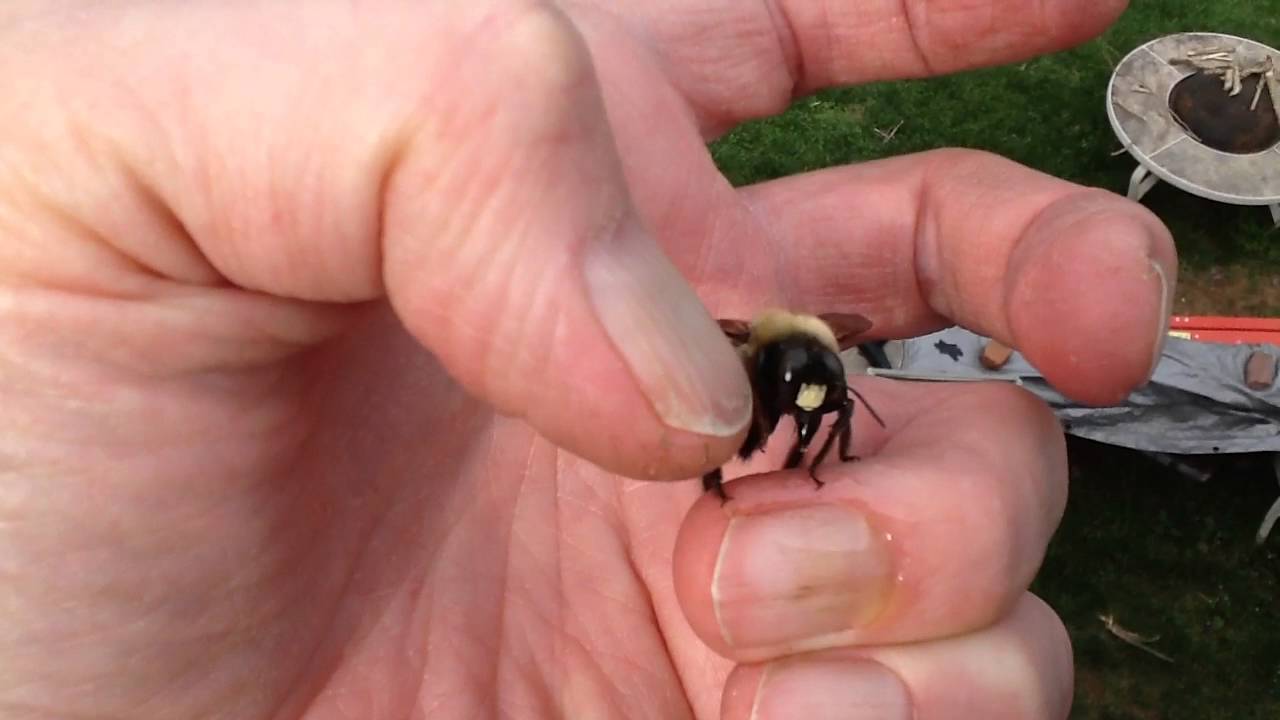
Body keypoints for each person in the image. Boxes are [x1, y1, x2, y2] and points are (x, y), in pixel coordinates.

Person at [0, 1, 1175, 718]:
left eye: (811, 411)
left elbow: (822, 394)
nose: (806, 414)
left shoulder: (812, 370)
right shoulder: (742, 340)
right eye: (801, 405)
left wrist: (823, 449)